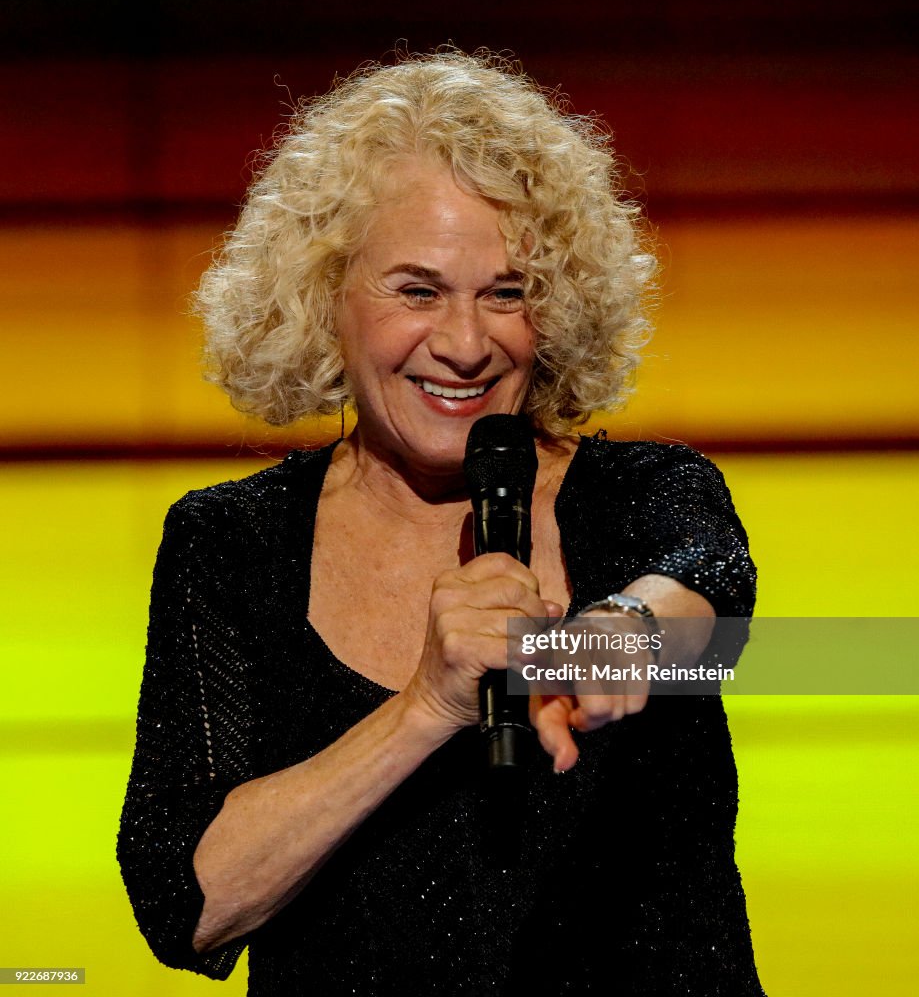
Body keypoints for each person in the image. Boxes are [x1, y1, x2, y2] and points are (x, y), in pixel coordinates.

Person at [117, 50, 765, 994]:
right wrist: (424, 709)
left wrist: (624, 635)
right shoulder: (231, 543)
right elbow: (189, 907)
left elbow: (705, 596)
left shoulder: (648, 491)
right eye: (416, 291)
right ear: (319, 298)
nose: (465, 344)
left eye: (506, 292)